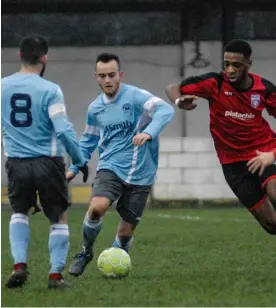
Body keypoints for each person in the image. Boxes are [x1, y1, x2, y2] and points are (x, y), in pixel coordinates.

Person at [66, 53, 175, 277]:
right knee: (96, 208)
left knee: (125, 234)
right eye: (103, 76)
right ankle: (86, 251)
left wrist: (148, 132)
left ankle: (118, 257)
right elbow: (87, 141)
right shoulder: (95, 109)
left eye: (112, 75)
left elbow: (166, 109)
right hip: (110, 167)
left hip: (142, 172)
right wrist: (74, 167)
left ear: (120, 75)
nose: (108, 80)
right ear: (96, 77)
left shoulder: (136, 96)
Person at [1, 34, 88, 289]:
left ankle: (19, 266)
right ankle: (55, 276)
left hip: (16, 162)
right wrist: (80, 159)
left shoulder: (2, 86)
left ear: (20, 56)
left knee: (19, 212)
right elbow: (62, 130)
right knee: (58, 217)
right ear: (45, 57)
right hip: (48, 163)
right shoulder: (50, 90)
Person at [165, 39, 276, 234]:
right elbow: (172, 86)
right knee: (271, 225)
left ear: (248, 64)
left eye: (237, 65)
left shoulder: (264, 89)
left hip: (264, 153)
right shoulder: (214, 83)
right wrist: (178, 100)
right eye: (227, 64)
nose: (230, 70)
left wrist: (272, 155)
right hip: (233, 165)